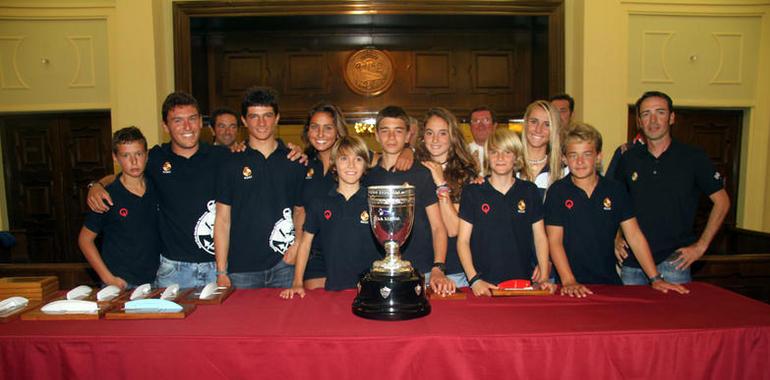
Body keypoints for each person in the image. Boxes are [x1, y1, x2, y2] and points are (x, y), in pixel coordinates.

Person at [87, 92, 229, 288]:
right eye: (178, 120)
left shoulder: (222, 157)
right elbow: (126, 173)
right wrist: (97, 186)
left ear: (201, 123)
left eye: (192, 119)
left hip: (218, 268)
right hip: (173, 271)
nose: (187, 127)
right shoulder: (154, 158)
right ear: (165, 126)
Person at [544, 123, 688, 297]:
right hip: (570, 286)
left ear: (598, 157)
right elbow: (555, 241)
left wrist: (655, 278)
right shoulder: (557, 191)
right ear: (565, 159)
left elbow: (634, 235)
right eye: (573, 155)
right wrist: (569, 280)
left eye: (587, 154)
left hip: (609, 284)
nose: (580, 161)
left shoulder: (615, 190)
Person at [613, 91, 730, 284]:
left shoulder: (693, 158)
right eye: (645, 114)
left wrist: (701, 246)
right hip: (632, 263)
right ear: (639, 121)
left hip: (675, 262)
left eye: (660, 112)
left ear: (672, 117)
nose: (653, 120)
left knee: (675, 315)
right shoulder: (628, 159)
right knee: (630, 315)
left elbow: (722, 202)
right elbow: (616, 203)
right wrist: (616, 238)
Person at [214, 86, 305, 289]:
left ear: (277, 118)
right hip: (241, 269)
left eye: (267, 116)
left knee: (289, 321)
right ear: (244, 121)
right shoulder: (231, 163)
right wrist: (221, 270)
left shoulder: (294, 161)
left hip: (284, 265)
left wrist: (297, 245)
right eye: (254, 117)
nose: (262, 123)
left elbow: (300, 211)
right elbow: (222, 219)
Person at [366, 105, 455, 295]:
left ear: (408, 136)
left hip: (422, 271)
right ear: (376, 135)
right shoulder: (367, 177)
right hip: (380, 271)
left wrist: (438, 267)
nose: (391, 137)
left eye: (398, 131)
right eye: (385, 131)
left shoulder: (422, 174)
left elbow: (438, 226)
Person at [457, 128, 555, 296]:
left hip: (523, 283)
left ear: (516, 156)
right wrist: (474, 280)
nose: (500, 158)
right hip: (484, 285)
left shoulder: (529, 191)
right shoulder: (472, 192)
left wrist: (545, 276)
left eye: (507, 152)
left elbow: (540, 237)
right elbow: (463, 241)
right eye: (494, 152)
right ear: (488, 156)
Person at [281, 136, 380, 298]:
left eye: (358, 159)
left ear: (365, 165)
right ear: (334, 163)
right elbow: (305, 243)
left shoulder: (375, 202)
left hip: (368, 287)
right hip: (332, 284)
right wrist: (297, 282)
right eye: (344, 158)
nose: (351, 165)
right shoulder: (319, 203)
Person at [78, 127, 159, 289]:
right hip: (121, 282)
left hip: (156, 279)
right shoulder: (107, 196)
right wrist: (108, 278)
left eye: (138, 154)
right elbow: (85, 240)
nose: (134, 161)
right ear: (116, 158)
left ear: (147, 155)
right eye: (126, 155)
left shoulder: (157, 186)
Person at [416, 107, 478, 287]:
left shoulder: (465, 174)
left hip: (453, 270)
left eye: (442, 133)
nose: (435, 139)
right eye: (430, 133)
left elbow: (453, 229)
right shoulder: (414, 168)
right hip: (419, 266)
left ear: (452, 137)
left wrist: (441, 183)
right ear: (422, 137)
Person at [298, 103, 350, 289]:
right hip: (314, 254)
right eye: (314, 127)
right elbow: (300, 210)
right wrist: (297, 242)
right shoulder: (303, 164)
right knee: (317, 311)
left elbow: (385, 158)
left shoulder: (352, 162)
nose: (320, 134)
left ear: (338, 131)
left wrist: (408, 149)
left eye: (328, 128)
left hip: (348, 252)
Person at [518, 100, 568, 199]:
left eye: (547, 124)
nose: (538, 129)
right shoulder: (509, 165)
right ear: (525, 123)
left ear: (554, 129)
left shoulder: (563, 170)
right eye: (534, 122)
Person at [467, 106, 497, 176]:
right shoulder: (462, 154)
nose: (481, 126)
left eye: (486, 120)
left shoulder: (506, 153)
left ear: (495, 126)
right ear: (470, 127)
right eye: (475, 121)